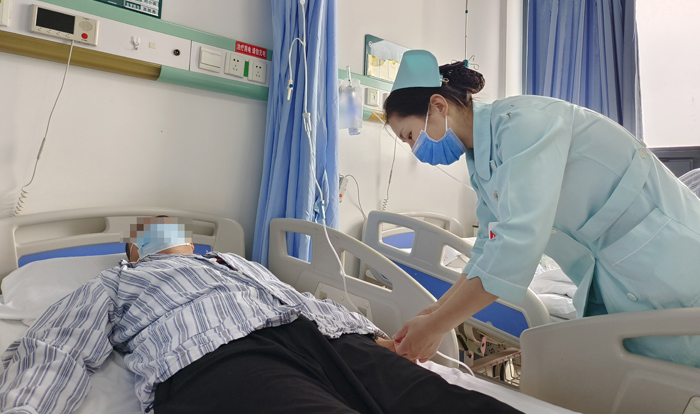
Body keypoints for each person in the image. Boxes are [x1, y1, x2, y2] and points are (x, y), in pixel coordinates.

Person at [0, 216, 521, 414]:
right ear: (137, 251)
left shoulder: (237, 262)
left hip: (329, 340)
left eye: (174, 231)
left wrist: (374, 337)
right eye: (153, 234)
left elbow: (305, 302)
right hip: (217, 354)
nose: (169, 236)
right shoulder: (118, 282)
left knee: (447, 402)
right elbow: (56, 348)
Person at [386, 49, 700, 368]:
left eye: (410, 136)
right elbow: (488, 246)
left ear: (439, 106)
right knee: (656, 377)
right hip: (616, 271)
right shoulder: (481, 158)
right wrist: (435, 311)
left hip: (666, 254)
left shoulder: (523, 124)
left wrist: (437, 326)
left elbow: (515, 245)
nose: (415, 150)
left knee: (682, 370)